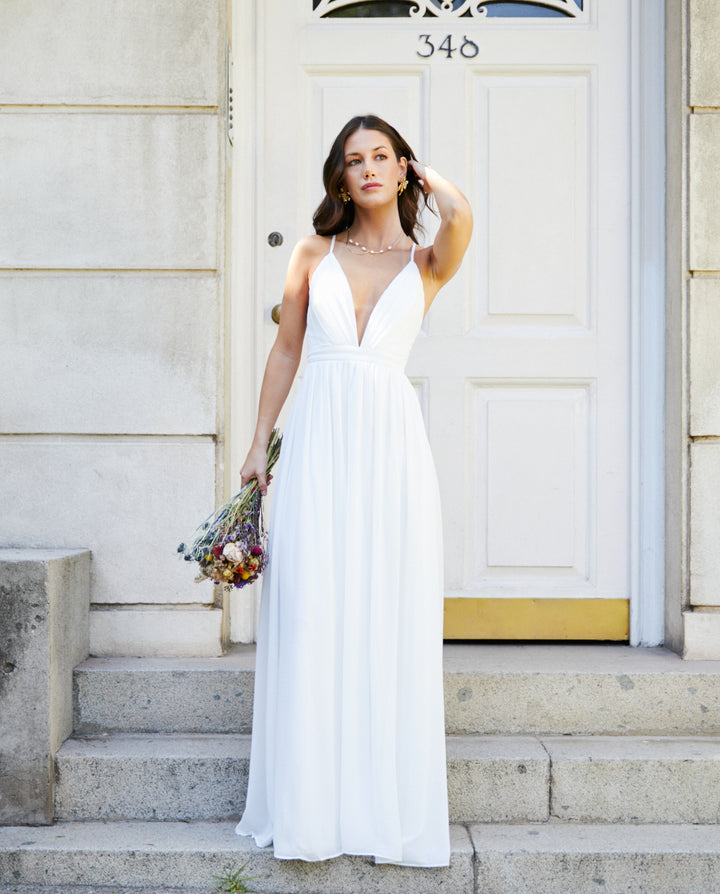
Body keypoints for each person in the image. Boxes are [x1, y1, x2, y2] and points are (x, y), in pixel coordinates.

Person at [235, 114, 472, 867]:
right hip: (318, 439)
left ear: (400, 169)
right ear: (337, 177)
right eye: (353, 160)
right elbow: (285, 350)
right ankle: (312, 807)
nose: (366, 169)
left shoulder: (428, 261)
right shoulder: (313, 252)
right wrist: (256, 444)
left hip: (392, 449)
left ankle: (379, 810)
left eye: (380, 158)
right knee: (314, 607)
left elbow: (461, 215)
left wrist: (418, 168)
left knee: (385, 610)